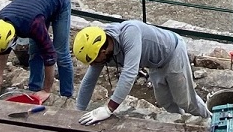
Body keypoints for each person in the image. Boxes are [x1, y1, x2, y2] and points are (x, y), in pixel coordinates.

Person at [74, 20, 208, 125]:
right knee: (165, 101)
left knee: (185, 101)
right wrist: (77, 113)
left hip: (173, 52)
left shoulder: (129, 33)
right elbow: (89, 81)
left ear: (102, 51)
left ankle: (211, 121)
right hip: (155, 63)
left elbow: (129, 74)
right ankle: (181, 126)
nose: (94, 65)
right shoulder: (102, 52)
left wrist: (109, 109)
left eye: (93, 60)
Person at [0, 0, 74, 99]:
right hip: (38, 7)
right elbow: (3, 48)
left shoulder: (34, 25)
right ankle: (34, 90)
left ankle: (66, 96)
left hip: (58, 0)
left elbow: (50, 55)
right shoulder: (2, 22)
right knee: (35, 51)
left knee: (61, 53)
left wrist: (47, 90)